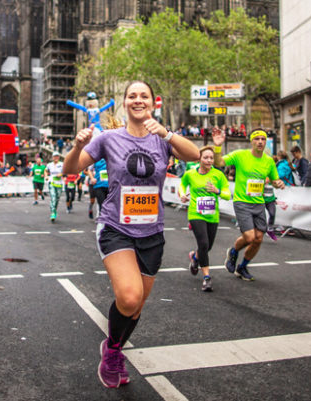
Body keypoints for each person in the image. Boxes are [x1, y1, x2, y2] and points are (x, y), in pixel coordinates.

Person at [62, 80, 199, 389]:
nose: (138, 100)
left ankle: (114, 348)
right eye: (132, 96)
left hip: (152, 233)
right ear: (124, 103)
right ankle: (112, 350)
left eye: (144, 96)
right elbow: (68, 171)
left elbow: (195, 155)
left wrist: (166, 132)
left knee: (135, 307)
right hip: (115, 228)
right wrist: (77, 147)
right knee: (129, 296)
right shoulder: (108, 138)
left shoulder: (163, 139)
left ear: (152, 102)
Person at [213, 128, 286, 281]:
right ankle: (233, 251)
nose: (260, 142)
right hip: (242, 202)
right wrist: (217, 146)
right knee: (250, 236)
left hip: (259, 202)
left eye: (263, 139)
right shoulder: (240, 155)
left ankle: (242, 266)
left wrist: (278, 183)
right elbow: (219, 162)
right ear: (251, 141)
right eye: (257, 139)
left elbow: (274, 179)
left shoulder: (268, 161)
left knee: (259, 238)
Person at [180, 145, 231, 291]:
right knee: (203, 244)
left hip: (212, 215)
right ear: (199, 159)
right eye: (206, 158)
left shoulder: (218, 175)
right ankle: (207, 278)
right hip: (195, 213)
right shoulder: (190, 174)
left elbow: (227, 194)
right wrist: (182, 194)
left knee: (208, 246)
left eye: (211, 158)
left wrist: (218, 191)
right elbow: (182, 186)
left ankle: (195, 258)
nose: (209, 160)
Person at [45, 152, 63, 222]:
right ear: (52, 157)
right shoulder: (49, 165)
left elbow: (65, 171)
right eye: (55, 156)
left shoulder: (62, 164)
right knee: (53, 197)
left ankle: (54, 210)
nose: (56, 158)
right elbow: (45, 171)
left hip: (59, 183)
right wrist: (46, 176)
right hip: (51, 182)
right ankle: (52, 212)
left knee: (57, 199)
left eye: (57, 156)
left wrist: (61, 174)